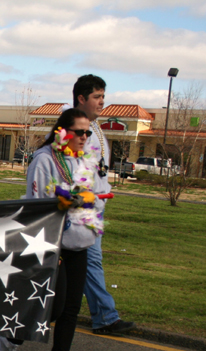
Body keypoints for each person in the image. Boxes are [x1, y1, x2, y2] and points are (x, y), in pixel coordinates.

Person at [0, 108, 102, 351]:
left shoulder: (86, 159)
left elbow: (99, 194)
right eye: (79, 132)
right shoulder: (45, 159)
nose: (84, 137)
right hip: (53, 243)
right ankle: (10, 337)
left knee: (71, 309)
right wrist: (65, 201)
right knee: (52, 307)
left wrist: (90, 202)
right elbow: (37, 205)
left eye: (87, 132)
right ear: (62, 132)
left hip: (81, 242)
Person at [73, 75, 135, 335]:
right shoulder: (73, 128)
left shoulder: (95, 128)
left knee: (83, 263)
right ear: (81, 98)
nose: (102, 102)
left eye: (103, 97)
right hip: (79, 209)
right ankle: (106, 317)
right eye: (96, 97)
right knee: (91, 261)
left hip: (95, 206)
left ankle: (100, 315)